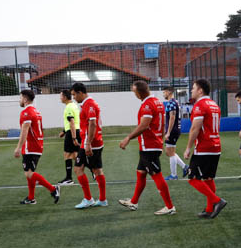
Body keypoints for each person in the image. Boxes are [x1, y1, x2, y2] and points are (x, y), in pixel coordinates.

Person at [118, 81, 176, 215]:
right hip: (152, 144)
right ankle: (133, 202)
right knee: (141, 173)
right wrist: (160, 141)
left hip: (149, 146)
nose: (134, 94)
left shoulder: (147, 105)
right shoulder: (157, 102)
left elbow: (144, 125)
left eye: (134, 92)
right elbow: (161, 124)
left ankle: (170, 207)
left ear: (139, 92)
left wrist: (128, 138)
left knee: (156, 175)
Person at [183, 79, 227, 218]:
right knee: (208, 178)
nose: (191, 90)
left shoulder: (200, 105)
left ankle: (217, 201)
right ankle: (209, 209)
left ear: (200, 90)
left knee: (192, 178)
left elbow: (195, 128)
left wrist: (188, 147)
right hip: (215, 146)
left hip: (204, 147)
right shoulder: (214, 104)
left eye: (193, 88)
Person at [13, 89, 60, 205]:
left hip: (31, 147)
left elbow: (24, 131)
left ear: (25, 99)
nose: (19, 100)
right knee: (29, 172)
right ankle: (31, 198)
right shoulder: (36, 111)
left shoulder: (26, 112)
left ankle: (53, 189)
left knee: (29, 174)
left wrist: (18, 147)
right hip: (36, 146)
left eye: (20, 98)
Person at [71, 82, 108, 209]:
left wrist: (87, 144)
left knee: (78, 169)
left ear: (81, 93)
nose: (74, 98)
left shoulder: (89, 104)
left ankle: (89, 199)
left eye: (74, 94)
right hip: (91, 142)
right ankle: (102, 199)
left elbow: (92, 124)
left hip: (91, 143)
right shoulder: (86, 104)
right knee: (96, 170)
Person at [162, 86, 188, 180]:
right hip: (174, 129)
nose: (163, 94)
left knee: (170, 152)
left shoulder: (172, 103)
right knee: (169, 152)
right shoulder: (175, 102)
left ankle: (174, 175)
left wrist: (168, 132)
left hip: (173, 130)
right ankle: (185, 167)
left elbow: (172, 118)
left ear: (169, 92)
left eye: (164, 92)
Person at [57, 88, 80, 185]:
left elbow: (72, 122)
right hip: (74, 131)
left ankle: (69, 178)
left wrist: (73, 137)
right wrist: (63, 131)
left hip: (72, 132)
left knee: (67, 155)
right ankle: (92, 169)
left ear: (65, 97)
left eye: (61, 96)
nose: (60, 98)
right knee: (75, 155)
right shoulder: (74, 105)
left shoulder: (69, 107)